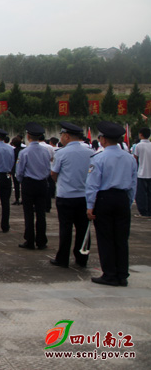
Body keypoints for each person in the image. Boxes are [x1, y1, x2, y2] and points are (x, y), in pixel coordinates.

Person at [86, 121, 137, 287]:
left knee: (106, 237)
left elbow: (93, 184)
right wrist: (128, 202)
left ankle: (109, 274)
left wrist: (90, 206)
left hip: (105, 199)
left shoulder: (99, 158)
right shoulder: (129, 158)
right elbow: (133, 183)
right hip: (122, 198)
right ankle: (122, 275)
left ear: (103, 140)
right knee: (122, 238)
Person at [50, 122, 94, 268]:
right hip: (84, 196)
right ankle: (82, 258)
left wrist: (62, 183)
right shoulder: (90, 153)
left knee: (65, 229)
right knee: (83, 229)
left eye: (62, 135)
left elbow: (54, 173)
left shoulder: (61, 153)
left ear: (67, 136)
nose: (61, 138)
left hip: (66, 196)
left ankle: (62, 259)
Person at [15, 122, 51, 250]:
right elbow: (48, 169)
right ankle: (41, 241)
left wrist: (21, 181)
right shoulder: (45, 151)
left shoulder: (25, 152)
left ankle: (29, 240)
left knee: (28, 214)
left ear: (28, 136)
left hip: (29, 184)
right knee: (41, 214)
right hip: (42, 184)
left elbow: (19, 171)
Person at [134, 127, 151, 218]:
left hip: (141, 172)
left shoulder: (138, 146)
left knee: (141, 194)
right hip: (150, 173)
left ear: (141, 134)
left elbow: (135, 159)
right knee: (149, 193)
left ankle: (143, 211)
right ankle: (149, 210)